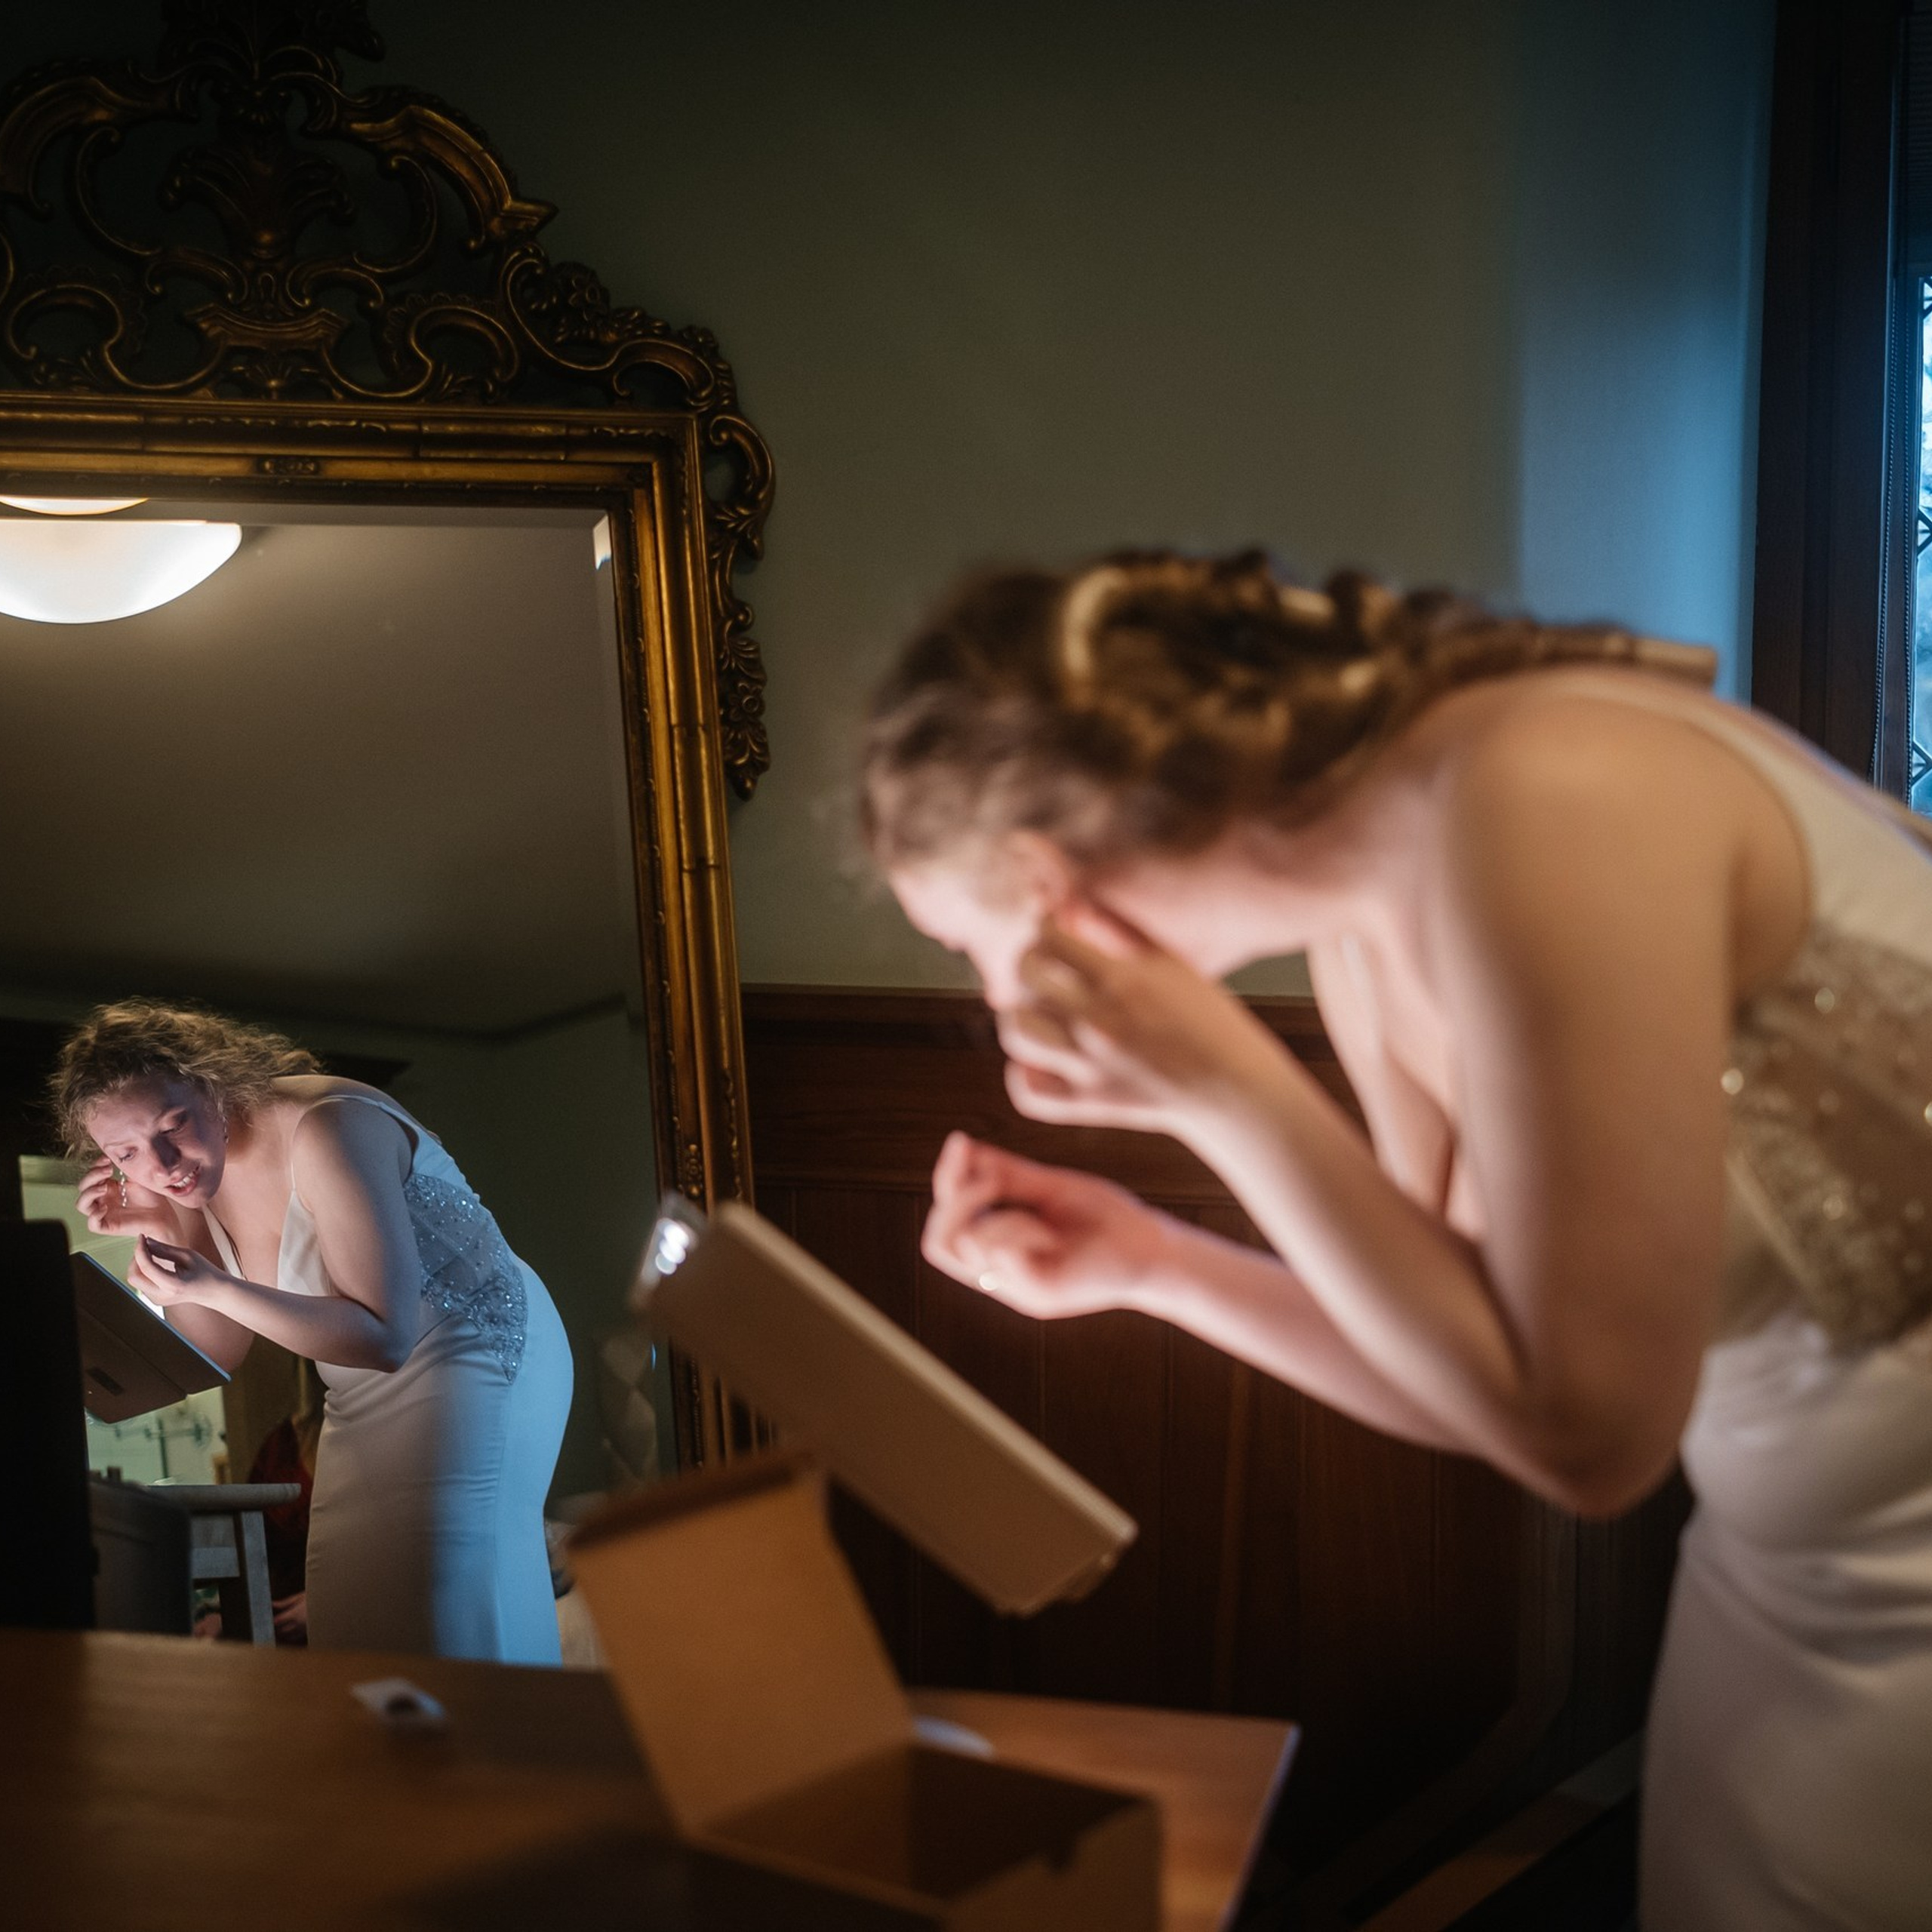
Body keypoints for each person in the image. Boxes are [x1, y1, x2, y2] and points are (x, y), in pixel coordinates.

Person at [860, 552, 1932, 1931]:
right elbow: (1479, 1374)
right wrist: (1150, 1263)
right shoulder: (1361, 933)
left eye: (970, 946)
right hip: (1773, 1594)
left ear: (1048, 882)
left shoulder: (1549, 789)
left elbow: (1591, 1444)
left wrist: (1227, 1092)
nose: (993, 996)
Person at [58, 1001, 572, 1666]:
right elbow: (218, 1351)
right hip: (358, 1390)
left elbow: (385, 1335)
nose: (161, 1162)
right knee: (351, 1606)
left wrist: (211, 1285)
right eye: (125, 1153)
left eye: (173, 1125)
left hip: (475, 1352)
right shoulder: (186, 1185)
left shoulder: (327, 1128)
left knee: (444, 1595)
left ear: (213, 1085)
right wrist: (158, 1226)